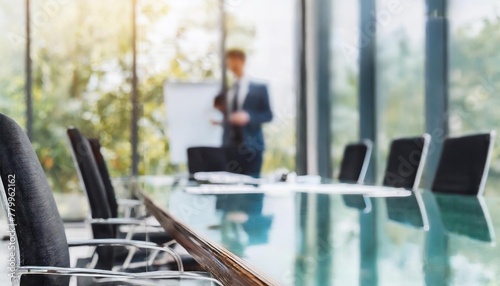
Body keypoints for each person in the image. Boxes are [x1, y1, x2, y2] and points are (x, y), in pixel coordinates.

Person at [223, 49, 273, 178]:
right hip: (230, 146)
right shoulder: (230, 89)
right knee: (232, 188)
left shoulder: (260, 88)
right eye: (229, 63)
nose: (231, 66)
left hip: (252, 147)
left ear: (242, 61)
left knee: (252, 187)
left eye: (234, 62)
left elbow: (268, 115)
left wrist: (249, 117)